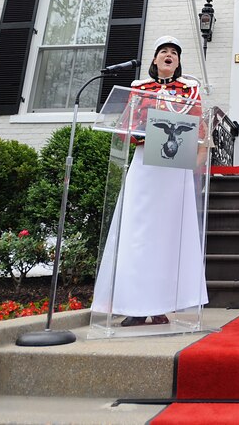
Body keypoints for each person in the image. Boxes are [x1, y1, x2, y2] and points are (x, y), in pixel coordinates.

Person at [92, 35, 209, 326]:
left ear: (178, 63)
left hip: (175, 165)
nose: (169, 56)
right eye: (164, 52)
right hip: (146, 161)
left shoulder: (190, 90)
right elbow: (128, 126)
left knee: (170, 235)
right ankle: (134, 305)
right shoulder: (139, 89)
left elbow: (200, 127)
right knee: (138, 232)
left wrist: (198, 159)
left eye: (174, 53)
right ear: (155, 60)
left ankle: (162, 305)